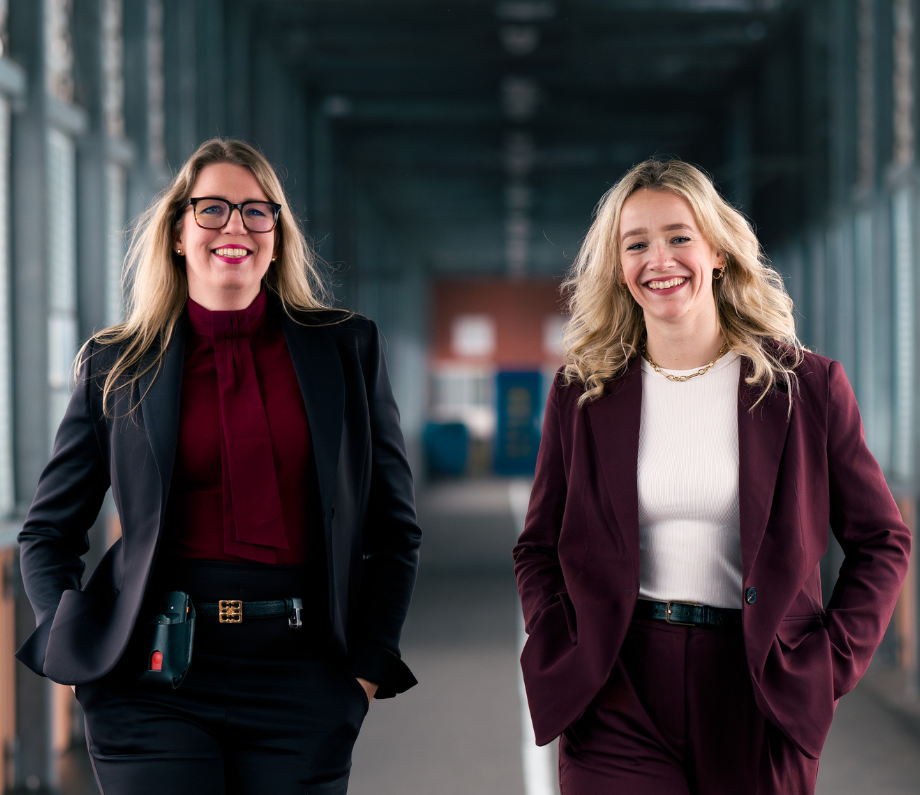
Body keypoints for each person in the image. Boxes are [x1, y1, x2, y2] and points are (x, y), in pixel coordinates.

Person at [15, 138, 421, 795]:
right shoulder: (116, 364)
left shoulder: (346, 349)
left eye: (257, 211)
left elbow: (393, 530)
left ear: (277, 239)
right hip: (150, 676)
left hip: (304, 682)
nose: (235, 227)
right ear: (178, 233)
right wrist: (72, 641)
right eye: (212, 209)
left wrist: (366, 670)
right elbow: (47, 531)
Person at [513, 158, 911, 794]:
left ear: (719, 253)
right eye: (635, 244)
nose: (659, 260)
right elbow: (538, 544)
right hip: (617, 686)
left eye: (679, 236)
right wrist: (560, 635)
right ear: (618, 266)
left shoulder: (806, 387)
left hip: (757, 687)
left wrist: (831, 662)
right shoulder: (582, 392)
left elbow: (882, 540)